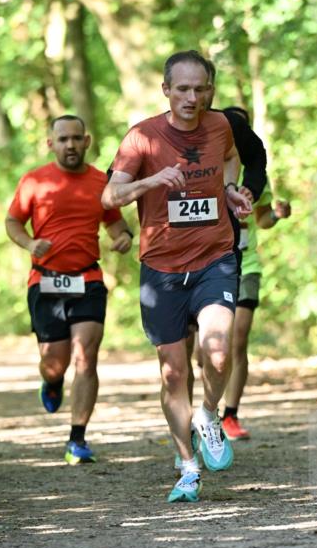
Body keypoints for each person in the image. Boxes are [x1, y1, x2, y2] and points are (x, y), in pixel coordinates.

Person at [102, 50, 252, 503]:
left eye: (200, 89)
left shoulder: (221, 125)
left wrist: (228, 190)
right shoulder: (142, 137)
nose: (192, 97)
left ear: (211, 90)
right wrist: (152, 182)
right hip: (161, 268)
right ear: (166, 90)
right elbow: (110, 196)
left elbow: (229, 158)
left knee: (219, 352)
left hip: (214, 257)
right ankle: (188, 466)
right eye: (183, 89)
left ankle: (209, 414)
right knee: (172, 374)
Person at [6, 114, 133, 464]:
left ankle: (77, 438)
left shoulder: (99, 182)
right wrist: (29, 244)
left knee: (85, 357)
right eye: (63, 139)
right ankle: (51, 381)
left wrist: (123, 238)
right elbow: (13, 221)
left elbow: (116, 224)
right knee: (54, 361)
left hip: (88, 279)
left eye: (77, 138)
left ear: (87, 141)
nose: (71, 145)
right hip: (45, 281)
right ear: (51, 144)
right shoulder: (34, 181)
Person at [221, 181, 292, 440]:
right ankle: (203, 411)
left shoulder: (256, 173)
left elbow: (262, 219)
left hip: (247, 266)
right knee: (210, 349)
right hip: (212, 265)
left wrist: (276, 215)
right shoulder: (208, 158)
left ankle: (229, 415)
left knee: (238, 340)